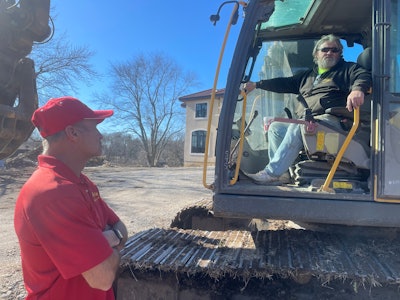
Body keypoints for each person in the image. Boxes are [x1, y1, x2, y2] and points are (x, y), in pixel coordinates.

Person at [14, 96, 128, 299]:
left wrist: (110, 239)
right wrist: (109, 241)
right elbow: (102, 277)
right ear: (73, 133)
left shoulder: (81, 183)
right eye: (94, 127)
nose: (100, 135)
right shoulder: (53, 194)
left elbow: (120, 227)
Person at [243, 34, 372, 184]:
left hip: (333, 122)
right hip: (311, 121)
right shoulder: (308, 76)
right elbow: (284, 83)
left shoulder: (347, 69)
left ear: (339, 53)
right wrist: (258, 85)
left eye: (334, 50)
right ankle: (283, 173)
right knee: (276, 128)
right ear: (316, 53)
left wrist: (357, 89)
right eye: (325, 49)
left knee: (299, 124)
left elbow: (362, 75)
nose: (329, 53)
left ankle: (271, 173)